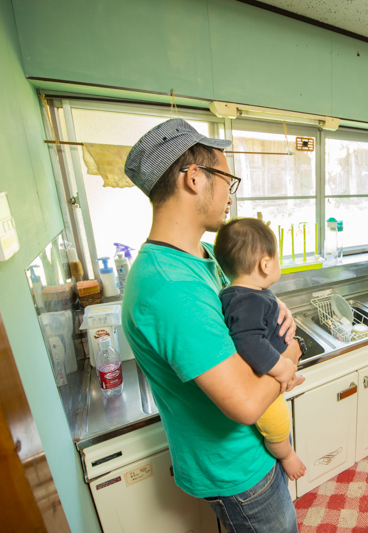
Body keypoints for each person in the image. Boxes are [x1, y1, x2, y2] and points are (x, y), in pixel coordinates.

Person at [121, 119, 302, 532]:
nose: (229, 194)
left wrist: (275, 311)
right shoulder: (170, 289)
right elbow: (245, 404)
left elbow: (241, 310)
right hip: (237, 470)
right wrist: (288, 357)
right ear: (194, 178)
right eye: (226, 179)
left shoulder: (202, 256)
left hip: (252, 452)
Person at [214, 217, 307, 481]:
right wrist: (284, 367)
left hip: (270, 370)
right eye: (276, 258)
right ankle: (287, 455)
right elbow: (249, 343)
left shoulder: (240, 292)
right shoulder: (249, 300)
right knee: (277, 425)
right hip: (264, 378)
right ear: (265, 264)